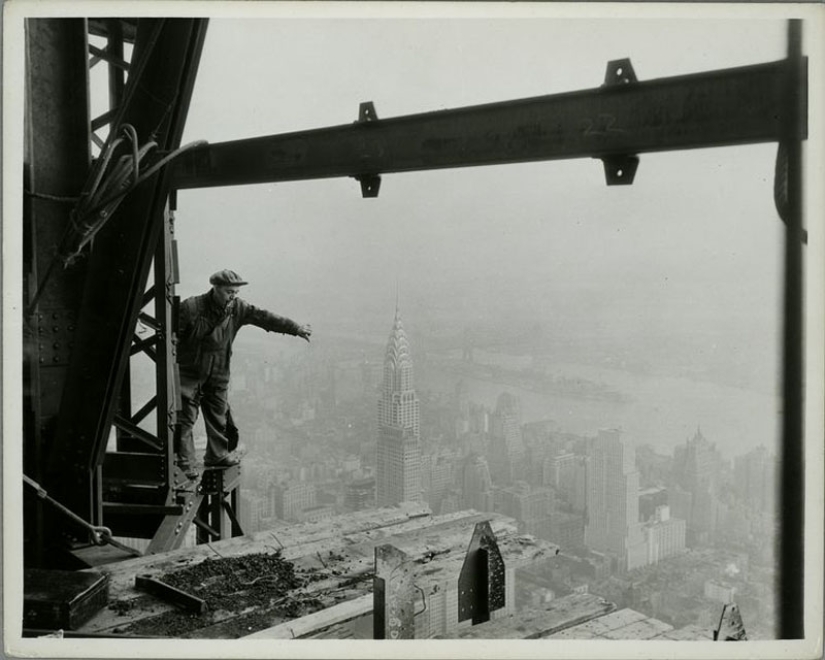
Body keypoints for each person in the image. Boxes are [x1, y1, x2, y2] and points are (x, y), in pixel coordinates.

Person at [175, 269, 311, 479]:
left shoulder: (237, 308)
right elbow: (173, 336)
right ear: (216, 288)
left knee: (219, 416)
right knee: (185, 419)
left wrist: (295, 328)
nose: (233, 296)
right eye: (229, 291)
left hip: (218, 372)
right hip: (189, 373)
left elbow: (265, 318)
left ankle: (217, 456)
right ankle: (185, 463)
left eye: (236, 292)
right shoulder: (191, 307)